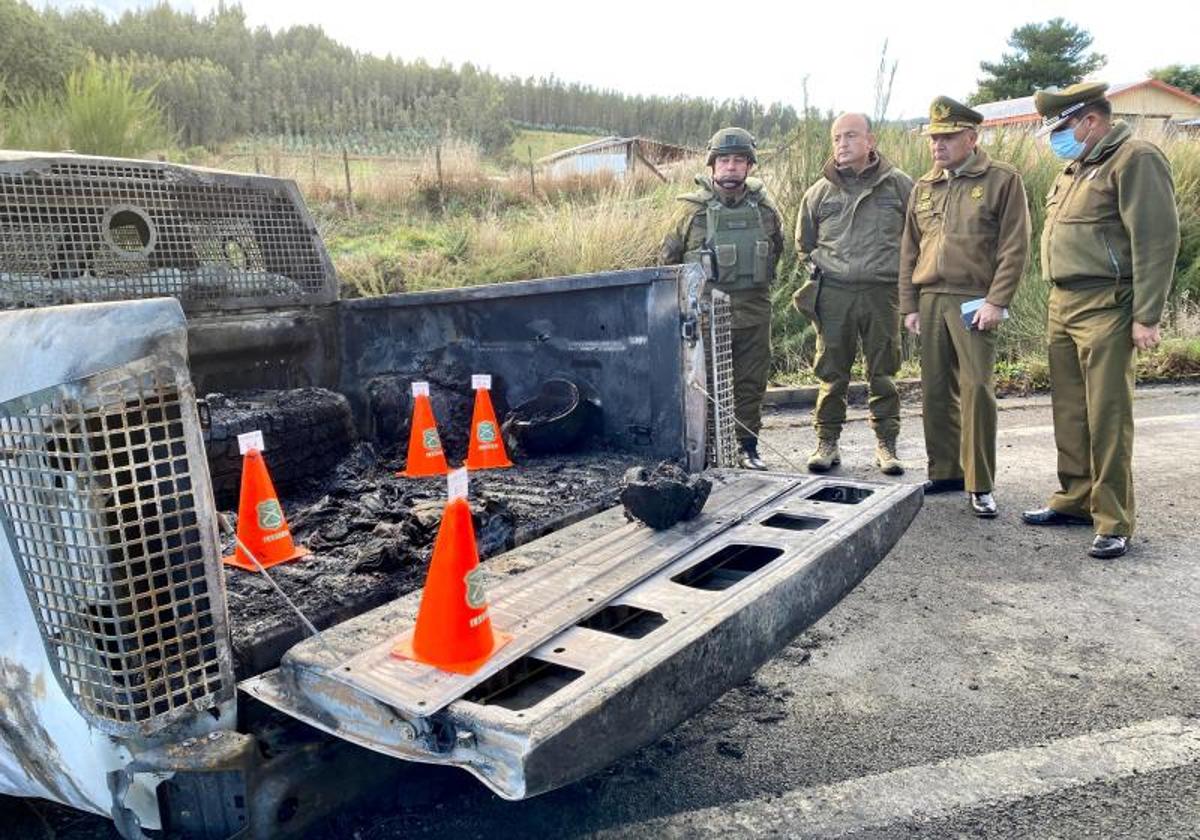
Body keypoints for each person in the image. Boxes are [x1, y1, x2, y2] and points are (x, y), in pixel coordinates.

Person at [1022, 82, 1180, 559]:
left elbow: (1157, 240)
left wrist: (1146, 315)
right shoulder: (1076, 168)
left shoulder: (1135, 160)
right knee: (1070, 411)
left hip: (1108, 304)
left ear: (1090, 121)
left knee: (1107, 416)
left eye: (1061, 127)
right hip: (1064, 303)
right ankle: (1075, 499)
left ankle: (1113, 519)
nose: (1056, 138)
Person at [898, 96, 1030, 517]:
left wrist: (997, 300)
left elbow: (1015, 246)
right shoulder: (924, 185)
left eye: (948, 137)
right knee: (936, 390)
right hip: (932, 297)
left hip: (975, 300)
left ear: (972, 138)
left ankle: (980, 483)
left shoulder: (1001, 180)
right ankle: (946, 471)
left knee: (976, 389)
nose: (938, 145)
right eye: (934, 138)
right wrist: (910, 305)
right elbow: (908, 251)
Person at [794, 112, 914, 475]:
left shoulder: (899, 187)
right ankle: (826, 443)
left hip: (883, 294)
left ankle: (887, 445)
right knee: (832, 373)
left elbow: (918, 237)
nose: (842, 144)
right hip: (835, 296)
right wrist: (823, 272)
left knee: (884, 372)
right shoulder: (818, 192)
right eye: (836, 138)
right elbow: (805, 245)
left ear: (870, 140)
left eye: (850, 136)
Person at [661, 127, 784, 470]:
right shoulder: (689, 213)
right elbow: (667, 265)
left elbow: (776, 255)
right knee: (705, 388)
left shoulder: (766, 212)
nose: (731, 167)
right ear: (712, 165)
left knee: (750, 384)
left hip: (754, 314)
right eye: (724, 160)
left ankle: (748, 448)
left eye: (739, 161)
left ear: (749, 166)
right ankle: (706, 453)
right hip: (705, 317)